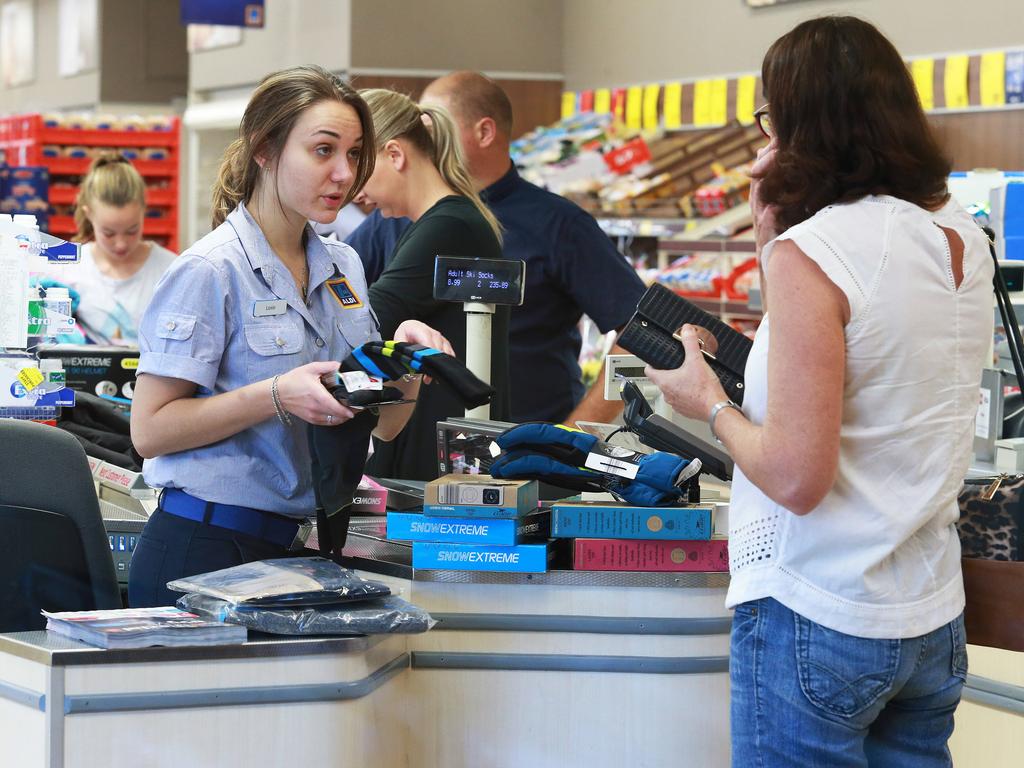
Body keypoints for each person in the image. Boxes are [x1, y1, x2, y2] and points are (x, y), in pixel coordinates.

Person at [646, 17, 992, 767]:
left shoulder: (823, 249)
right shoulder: (963, 235)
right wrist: (774, 241)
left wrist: (707, 401)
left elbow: (797, 476)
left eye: (771, 118)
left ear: (801, 124)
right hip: (929, 612)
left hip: (819, 611)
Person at [128, 66, 451, 608]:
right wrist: (277, 395)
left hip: (300, 552)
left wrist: (406, 360)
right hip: (201, 552)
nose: (344, 173)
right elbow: (151, 432)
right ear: (265, 149)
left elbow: (387, 426)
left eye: (353, 154)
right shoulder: (210, 271)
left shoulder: (343, 265)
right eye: (323, 151)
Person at [346, 72, 646, 425]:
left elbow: (640, 331)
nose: (423, 134)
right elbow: (344, 306)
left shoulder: (556, 223)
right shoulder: (391, 218)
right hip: (421, 438)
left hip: (527, 442)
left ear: (484, 132)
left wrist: (575, 432)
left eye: (432, 123)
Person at [357, 88, 510, 481]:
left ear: (395, 155)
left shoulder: (450, 224)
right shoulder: (434, 221)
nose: (354, 186)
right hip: (435, 438)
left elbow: (370, 316)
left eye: (358, 160)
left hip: (437, 449)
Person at [57, 153, 177, 345]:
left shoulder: (170, 269)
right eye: (109, 233)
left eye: (132, 231)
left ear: (144, 210)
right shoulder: (71, 268)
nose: (120, 244)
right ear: (89, 215)